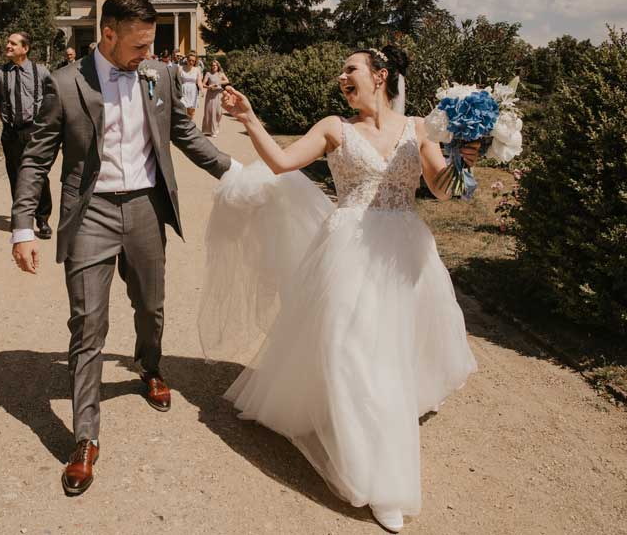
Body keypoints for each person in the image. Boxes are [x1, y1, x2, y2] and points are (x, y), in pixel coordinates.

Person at [200, 46, 481, 532]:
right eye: (342, 72)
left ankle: (383, 476)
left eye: (350, 69)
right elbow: (284, 162)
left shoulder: (419, 128)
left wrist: (461, 161)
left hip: (403, 251)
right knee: (345, 350)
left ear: (380, 74)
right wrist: (249, 119)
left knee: (389, 356)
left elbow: (439, 189)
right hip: (347, 246)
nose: (342, 77)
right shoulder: (334, 127)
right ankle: (377, 476)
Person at [9, 0, 237, 497]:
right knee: (88, 323)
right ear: (106, 34)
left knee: (150, 307)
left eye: (150, 44)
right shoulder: (64, 83)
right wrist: (23, 225)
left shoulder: (157, 76)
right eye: (137, 45)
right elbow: (36, 157)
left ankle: (149, 366)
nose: (145, 55)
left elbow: (184, 132)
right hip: (89, 211)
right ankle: (85, 439)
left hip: (145, 208)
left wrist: (236, 172)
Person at [0, 32, 54, 240]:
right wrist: (9, 122)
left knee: (39, 176)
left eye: (13, 43)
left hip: (35, 130)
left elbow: (52, 101)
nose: (7, 45)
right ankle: (21, 221)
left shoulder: (41, 72)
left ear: (25, 48)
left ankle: (42, 218)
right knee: (16, 176)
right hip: (12, 132)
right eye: (7, 42)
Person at [200, 58, 230, 137]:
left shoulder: (221, 74)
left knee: (218, 112)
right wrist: (209, 86)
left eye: (215, 65)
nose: (213, 67)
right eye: (212, 65)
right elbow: (203, 84)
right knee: (209, 112)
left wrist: (219, 82)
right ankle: (210, 131)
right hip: (210, 94)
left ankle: (216, 127)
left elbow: (227, 81)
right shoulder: (208, 73)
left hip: (218, 94)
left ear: (218, 66)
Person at [177, 51, 203, 118]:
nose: (191, 62)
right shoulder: (180, 68)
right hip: (183, 90)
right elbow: (177, 81)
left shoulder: (197, 70)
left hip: (193, 91)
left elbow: (199, 82)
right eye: (190, 60)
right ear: (187, 59)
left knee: (191, 112)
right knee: (182, 110)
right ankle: (183, 126)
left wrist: (202, 90)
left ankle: (190, 126)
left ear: (195, 61)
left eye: (193, 61)